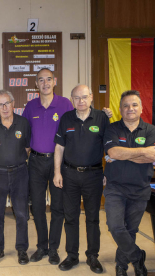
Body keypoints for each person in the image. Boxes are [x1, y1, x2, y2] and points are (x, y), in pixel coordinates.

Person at [53, 84, 110, 273]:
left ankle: (92, 256)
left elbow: (110, 149)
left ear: (92, 97)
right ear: (72, 100)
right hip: (69, 175)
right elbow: (59, 147)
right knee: (70, 217)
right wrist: (57, 172)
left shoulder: (102, 118)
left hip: (94, 175)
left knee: (93, 218)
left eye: (84, 97)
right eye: (76, 98)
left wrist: (107, 173)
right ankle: (72, 255)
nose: (81, 101)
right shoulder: (66, 118)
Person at [21, 68, 74, 265]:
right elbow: (21, 130)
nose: (45, 83)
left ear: (55, 81)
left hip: (58, 163)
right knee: (37, 206)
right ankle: (42, 246)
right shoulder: (30, 106)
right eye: (41, 80)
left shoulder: (65, 104)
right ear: (36, 84)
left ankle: (53, 249)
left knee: (58, 207)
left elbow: (76, 126)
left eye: (48, 79)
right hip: (35, 162)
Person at [103, 90, 155, 276]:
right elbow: (113, 153)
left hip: (140, 189)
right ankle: (137, 257)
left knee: (131, 229)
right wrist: (142, 151)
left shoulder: (151, 130)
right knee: (115, 226)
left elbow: (151, 157)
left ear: (141, 108)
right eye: (126, 105)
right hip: (115, 188)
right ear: (120, 109)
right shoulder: (112, 129)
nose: (130, 109)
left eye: (134, 105)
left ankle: (122, 266)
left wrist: (123, 154)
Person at [0, 90, 31, 265]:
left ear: (13, 103)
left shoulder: (23, 123)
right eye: (0, 104)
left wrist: (13, 160)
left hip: (20, 174)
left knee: (22, 214)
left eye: (7, 103)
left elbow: (27, 148)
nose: (4, 107)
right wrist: (0, 160)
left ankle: (22, 249)